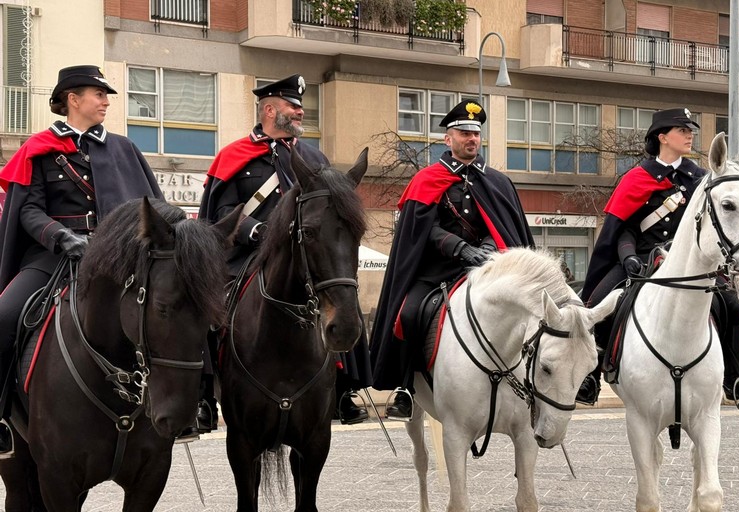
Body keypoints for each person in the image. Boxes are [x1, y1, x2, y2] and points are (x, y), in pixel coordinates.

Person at [0, 65, 164, 456]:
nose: (106, 101)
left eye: (106, 95)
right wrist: (61, 238)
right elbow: (29, 210)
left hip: (121, 256)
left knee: (176, 305)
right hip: (54, 256)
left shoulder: (124, 148)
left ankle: (192, 403)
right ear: (73, 99)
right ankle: (2, 416)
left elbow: (150, 206)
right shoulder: (39, 148)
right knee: (4, 315)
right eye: (98, 94)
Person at [198, 74, 371, 428]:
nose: (299, 112)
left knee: (339, 292)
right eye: (293, 106)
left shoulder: (312, 157)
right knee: (207, 310)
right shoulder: (234, 155)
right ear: (270, 109)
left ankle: (344, 388)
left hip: (302, 255)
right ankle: (202, 396)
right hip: (247, 256)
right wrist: (258, 231)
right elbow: (221, 213)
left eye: (299, 107)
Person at [576, 108, 739, 409]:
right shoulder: (637, 178)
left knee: (735, 307)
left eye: (690, 130)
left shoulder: (701, 178)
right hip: (639, 259)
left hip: (690, 262)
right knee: (598, 302)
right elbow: (622, 229)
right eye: (681, 130)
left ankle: (736, 378)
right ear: (662, 137)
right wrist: (626, 258)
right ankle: (592, 374)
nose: (690, 134)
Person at [369, 99, 534, 420]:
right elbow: (423, 229)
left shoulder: (497, 181)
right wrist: (461, 249)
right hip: (437, 271)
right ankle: (405, 386)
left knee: (527, 309)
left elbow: (503, 225)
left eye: (475, 134)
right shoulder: (427, 179)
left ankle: (534, 380)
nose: (471, 139)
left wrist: (488, 246)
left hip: (487, 269)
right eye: (463, 133)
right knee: (410, 313)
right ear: (448, 139)